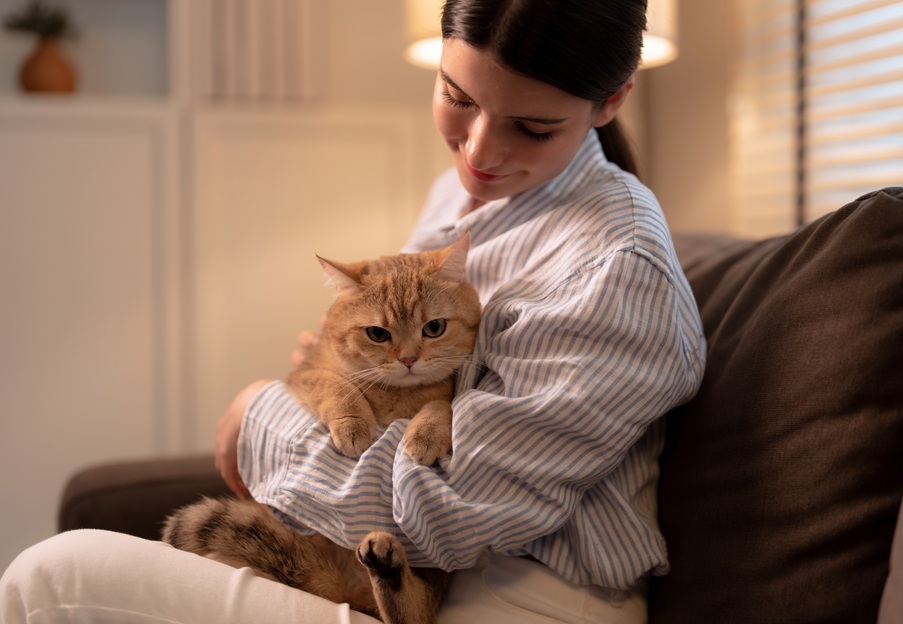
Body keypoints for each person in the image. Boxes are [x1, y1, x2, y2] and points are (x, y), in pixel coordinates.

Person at [0, 0, 706, 622]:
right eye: (458, 96)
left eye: (531, 126)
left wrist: (258, 418)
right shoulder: (463, 199)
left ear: (611, 101)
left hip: (513, 602)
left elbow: (440, 516)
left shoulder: (618, 269)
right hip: (383, 572)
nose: (481, 150)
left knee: (50, 579)